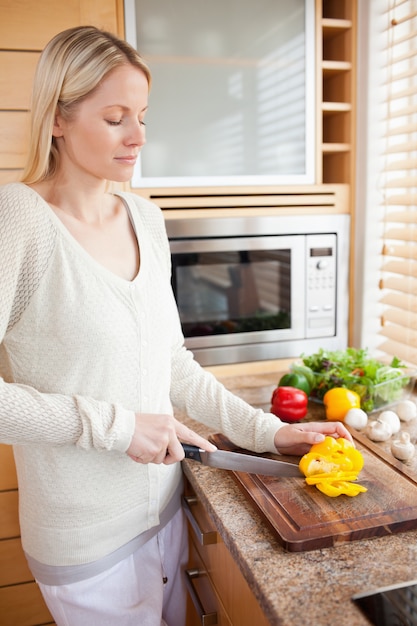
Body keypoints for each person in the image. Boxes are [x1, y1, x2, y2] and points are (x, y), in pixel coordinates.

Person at [0, 25, 352, 626]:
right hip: (85, 540)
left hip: (165, 509)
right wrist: (117, 429)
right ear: (58, 118)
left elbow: (172, 365)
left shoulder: (145, 217)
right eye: (115, 117)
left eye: (142, 116)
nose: (138, 137)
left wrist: (269, 433)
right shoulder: (20, 221)